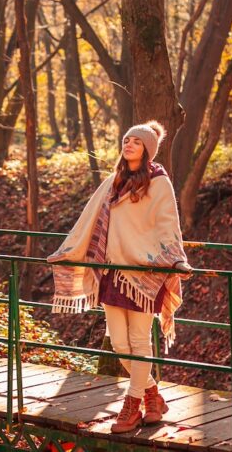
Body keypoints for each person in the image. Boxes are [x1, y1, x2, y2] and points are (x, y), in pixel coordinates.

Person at [47, 120, 192, 433]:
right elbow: (88, 219)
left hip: (143, 272)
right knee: (119, 343)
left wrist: (176, 258)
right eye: (126, 140)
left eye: (135, 142)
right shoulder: (114, 181)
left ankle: (132, 405)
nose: (128, 145)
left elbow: (169, 224)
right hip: (113, 271)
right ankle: (152, 396)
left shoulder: (158, 181)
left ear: (147, 150)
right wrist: (69, 249)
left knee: (139, 341)